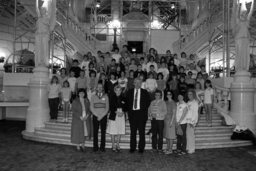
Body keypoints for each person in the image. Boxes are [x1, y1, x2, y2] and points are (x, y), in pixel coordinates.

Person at [126, 78, 150, 153]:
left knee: (141, 132)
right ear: (133, 83)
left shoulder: (145, 92)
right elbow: (127, 103)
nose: (137, 84)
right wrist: (128, 113)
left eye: (139, 82)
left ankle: (141, 148)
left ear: (141, 84)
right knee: (133, 132)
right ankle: (132, 147)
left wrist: (142, 110)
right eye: (136, 82)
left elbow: (148, 102)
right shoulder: (129, 92)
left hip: (141, 115)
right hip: (132, 114)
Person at [90, 83, 109, 152]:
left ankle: (102, 147)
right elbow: (91, 107)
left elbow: (107, 108)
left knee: (103, 132)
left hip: (103, 116)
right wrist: (97, 115)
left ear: (103, 88)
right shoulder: (93, 96)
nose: (100, 88)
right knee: (95, 132)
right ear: (96, 88)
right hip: (95, 116)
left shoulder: (106, 96)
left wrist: (101, 115)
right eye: (98, 87)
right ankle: (95, 146)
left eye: (101, 87)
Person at [107, 85, 126, 152]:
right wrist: (117, 112)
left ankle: (117, 144)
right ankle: (113, 145)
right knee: (113, 130)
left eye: (119, 90)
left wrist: (123, 111)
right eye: (117, 90)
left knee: (119, 130)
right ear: (115, 91)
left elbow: (126, 106)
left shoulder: (123, 98)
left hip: (121, 114)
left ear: (121, 91)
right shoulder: (112, 97)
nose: (118, 91)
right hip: (114, 114)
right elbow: (111, 106)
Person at [163, 90, 177, 154]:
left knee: (171, 136)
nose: (168, 95)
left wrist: (171, 122)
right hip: (165, 120)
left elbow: (174, 113)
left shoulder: (173, 103)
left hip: (171, 120)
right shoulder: (166, 102)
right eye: (167, 94)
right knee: (167, 135)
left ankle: (170, 149)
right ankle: (167, 148)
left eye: (170, 94)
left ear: (172, 95)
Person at [186, 89, 199, 154]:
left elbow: (195, 113)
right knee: (188, 135)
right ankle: (188, 147)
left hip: (191, 122)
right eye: (188, 94)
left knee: (191, 135)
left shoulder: (195, 102)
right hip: (186, 121)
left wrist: (193, 122)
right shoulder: (188, 102)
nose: (189, 95)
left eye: (190, 94)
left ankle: (192, 148)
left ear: (193, 95)